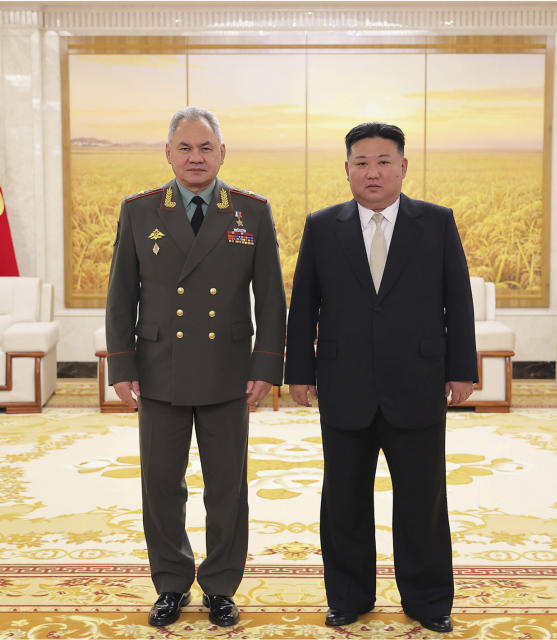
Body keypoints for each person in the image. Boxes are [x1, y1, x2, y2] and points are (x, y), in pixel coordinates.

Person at [285, 122, 478, 633]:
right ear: (347, 168)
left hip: (417, 382)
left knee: (424, 499)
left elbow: (456, 299)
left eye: (384, 161)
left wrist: (463, 369)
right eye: (362, 162)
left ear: (403, 166)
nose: (373, 172)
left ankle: (429, 600)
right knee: (343, 499)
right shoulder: (322, 226)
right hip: (343, 383)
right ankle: (348, 596)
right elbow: (305, 304)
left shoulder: (435, 223)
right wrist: (298, 372)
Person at [105, 106, 286, 628]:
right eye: (184, 148)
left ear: (222, 153)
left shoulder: (250, 210)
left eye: (206, 147)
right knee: (161, 483)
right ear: (168, 154)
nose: (195, 157)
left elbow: (271, 298)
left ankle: (221, 585)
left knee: (227, 485)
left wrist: (266, 364)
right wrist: (121, 364)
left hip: (229, 370)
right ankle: (170, 582)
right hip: (159, 367)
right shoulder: (140, 210)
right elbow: (121, 296)